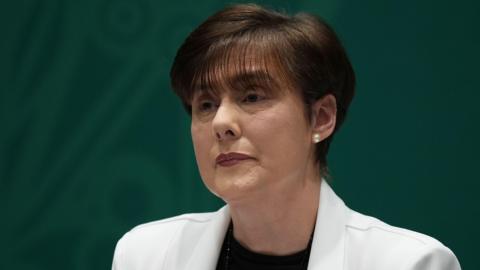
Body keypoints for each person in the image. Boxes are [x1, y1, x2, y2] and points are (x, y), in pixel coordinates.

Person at [111, 3, 461, 270]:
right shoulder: (146, 256)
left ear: (320, 118)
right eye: (206, 104)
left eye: (252, 97)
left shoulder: (410, 263)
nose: (221, 122)